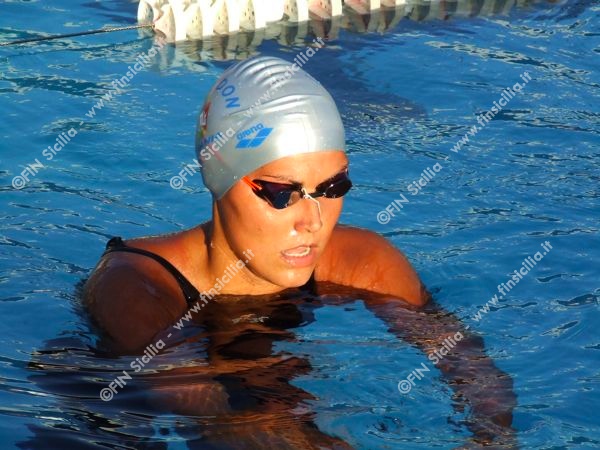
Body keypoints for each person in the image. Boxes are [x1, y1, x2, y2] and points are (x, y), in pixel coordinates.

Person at [83, 56, 516, 448]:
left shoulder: (363, 261)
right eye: (280, 193)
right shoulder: (132, 286)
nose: (313, 221)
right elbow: (215, 412)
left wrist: (490, 436)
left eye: (332, 188)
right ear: (218, 177)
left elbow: (467, 363)